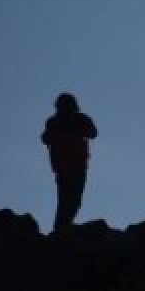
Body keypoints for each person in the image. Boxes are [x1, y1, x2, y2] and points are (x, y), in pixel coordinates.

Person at [40, 93, 98, 231]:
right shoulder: (70, 120)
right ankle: (62, 229)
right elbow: (93, 133)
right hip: (73, 165)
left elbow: (45, 138)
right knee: (71, 200)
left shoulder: (55, 121)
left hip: (66, 166)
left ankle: (61, 228)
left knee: (67, 199)